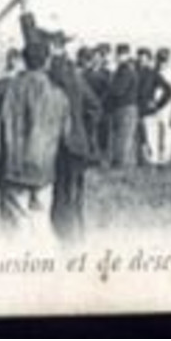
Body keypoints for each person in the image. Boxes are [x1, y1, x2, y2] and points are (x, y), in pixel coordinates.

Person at [0, 36, 71, 239]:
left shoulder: (7, 86)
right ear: (47, 61)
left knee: (17, 227)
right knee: (42, 223)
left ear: (23, 60)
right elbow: (66, 133)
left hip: (13, 167)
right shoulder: (59, 94)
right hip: (45, 168)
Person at [49, 35, 103, 242]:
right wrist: (85, 132)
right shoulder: (74, 75)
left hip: (58, 145)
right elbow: (95, 107)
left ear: (53, 48)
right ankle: (78, 237)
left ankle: (64, 239)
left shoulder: (51, 73)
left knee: (60, 195)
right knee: (75, 195)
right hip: (78, 145)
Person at [136, 48, 171, 167]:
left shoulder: (153, 74)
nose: (141, 62)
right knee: (139, 140)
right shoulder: (134, 72)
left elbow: (169, 90)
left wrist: (157, 104)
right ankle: (141, 163)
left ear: (149, 60)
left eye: (143, 60)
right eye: (139, 59)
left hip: (148, 112)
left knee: (150, 139)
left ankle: (153, 164)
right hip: (135, 111)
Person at [105, 44, 139, 168]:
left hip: (125, 107)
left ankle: (120, 164)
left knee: (123, 137)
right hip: (123, 108)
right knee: (121, 136)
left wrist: (109, 85)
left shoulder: (125, 71)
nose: (119, 57)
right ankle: (119, 163)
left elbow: (118, 90)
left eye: (122, 54)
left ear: (128, 55)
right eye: (118, 54)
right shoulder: (123, 69)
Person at [153, 47, 171, 165]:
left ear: (167, 61)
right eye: (159, 60)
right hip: (154, 110)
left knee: (166, 136)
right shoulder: (153, 73)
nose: (161, 63)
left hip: (167, 110)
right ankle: (155, 161)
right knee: (155, 136)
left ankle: (165, 160)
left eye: (163, 60)